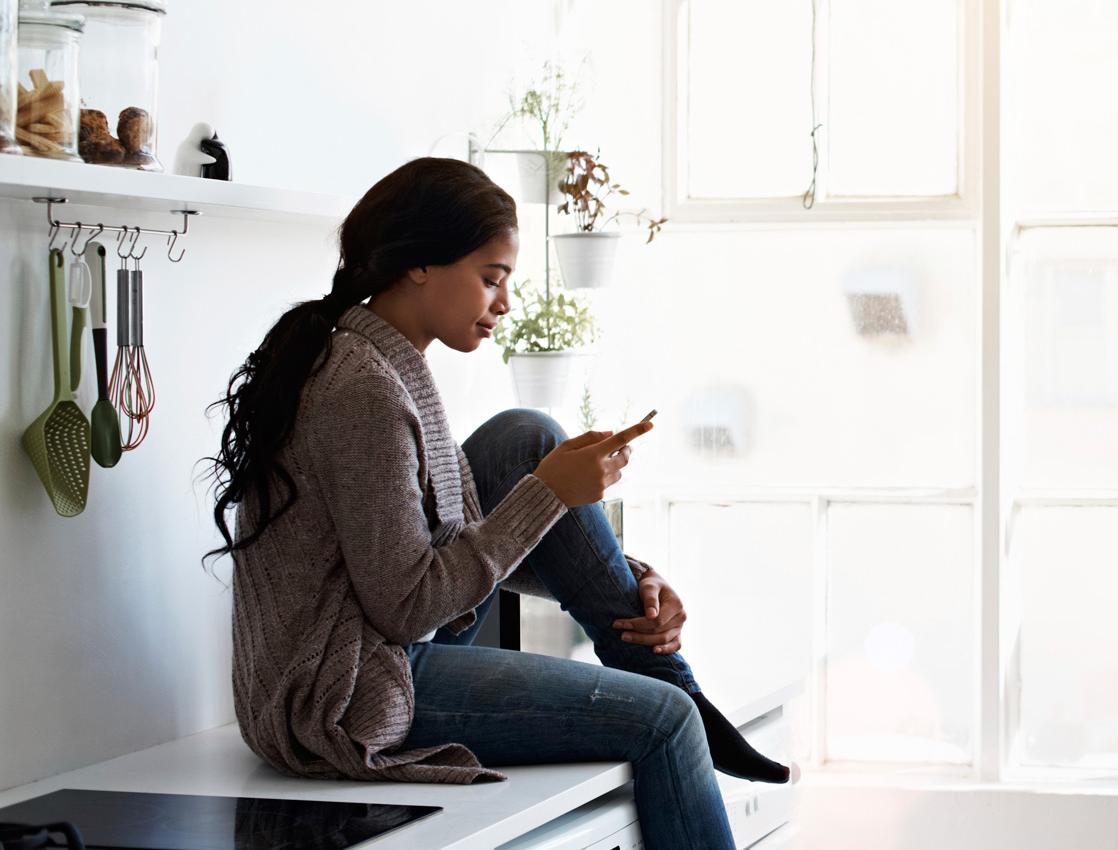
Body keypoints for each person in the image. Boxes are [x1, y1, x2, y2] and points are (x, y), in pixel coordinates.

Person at [203, 157, 787, 850]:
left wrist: (630, 577)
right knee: (664, 721)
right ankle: (680, 698)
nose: (505, 303)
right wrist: (547, 494)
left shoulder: (381, 360)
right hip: (344, 687)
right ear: (419, 264)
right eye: (491, 277)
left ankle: (654, 650)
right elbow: (408, 604)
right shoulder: (361, 390)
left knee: (526, 434)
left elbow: (433, 549)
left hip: (380, 638)